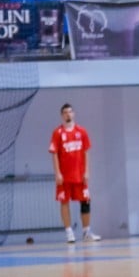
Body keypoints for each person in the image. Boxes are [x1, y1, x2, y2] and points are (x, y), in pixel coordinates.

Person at [49, 103, 100, 244]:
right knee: (64, 202)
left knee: (85, 201)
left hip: (80, 175)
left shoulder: (82, 132)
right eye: (65, 112)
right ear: (62, 115)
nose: (68, 114)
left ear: (74, 114)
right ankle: (69, 233)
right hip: (64, 176)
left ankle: (86, 232)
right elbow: (54, 154)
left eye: (70, 112)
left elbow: (85, 152)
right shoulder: (57, 133)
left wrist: (87, 171)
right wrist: (57, 173)